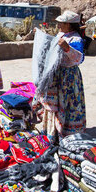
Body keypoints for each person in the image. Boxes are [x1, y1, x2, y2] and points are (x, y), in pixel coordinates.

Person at [36, 10, 85, 140]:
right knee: (53, 103)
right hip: (56, 74)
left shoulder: (76, 39)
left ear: (69, 24)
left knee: (66, 103)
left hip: (68, 77)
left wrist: (67, 48)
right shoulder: (61, 35)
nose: (59, 25)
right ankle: (51, 130)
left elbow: (79, 59)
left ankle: (65, 130)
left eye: (62, 23)